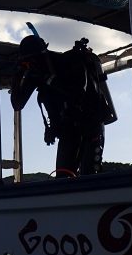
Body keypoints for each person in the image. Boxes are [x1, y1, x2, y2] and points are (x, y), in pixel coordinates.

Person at [10, 33, 116, 177]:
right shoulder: (35, 73)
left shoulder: (69, 61)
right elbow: (17, 104)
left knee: (90, 175)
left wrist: (50, 81)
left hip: (91, 124)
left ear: (41, 55)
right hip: (68, 130)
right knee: (63, 176)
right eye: (25, 64)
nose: (29, 67)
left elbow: (78, 92)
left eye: (29, 63)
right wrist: (17, 76)